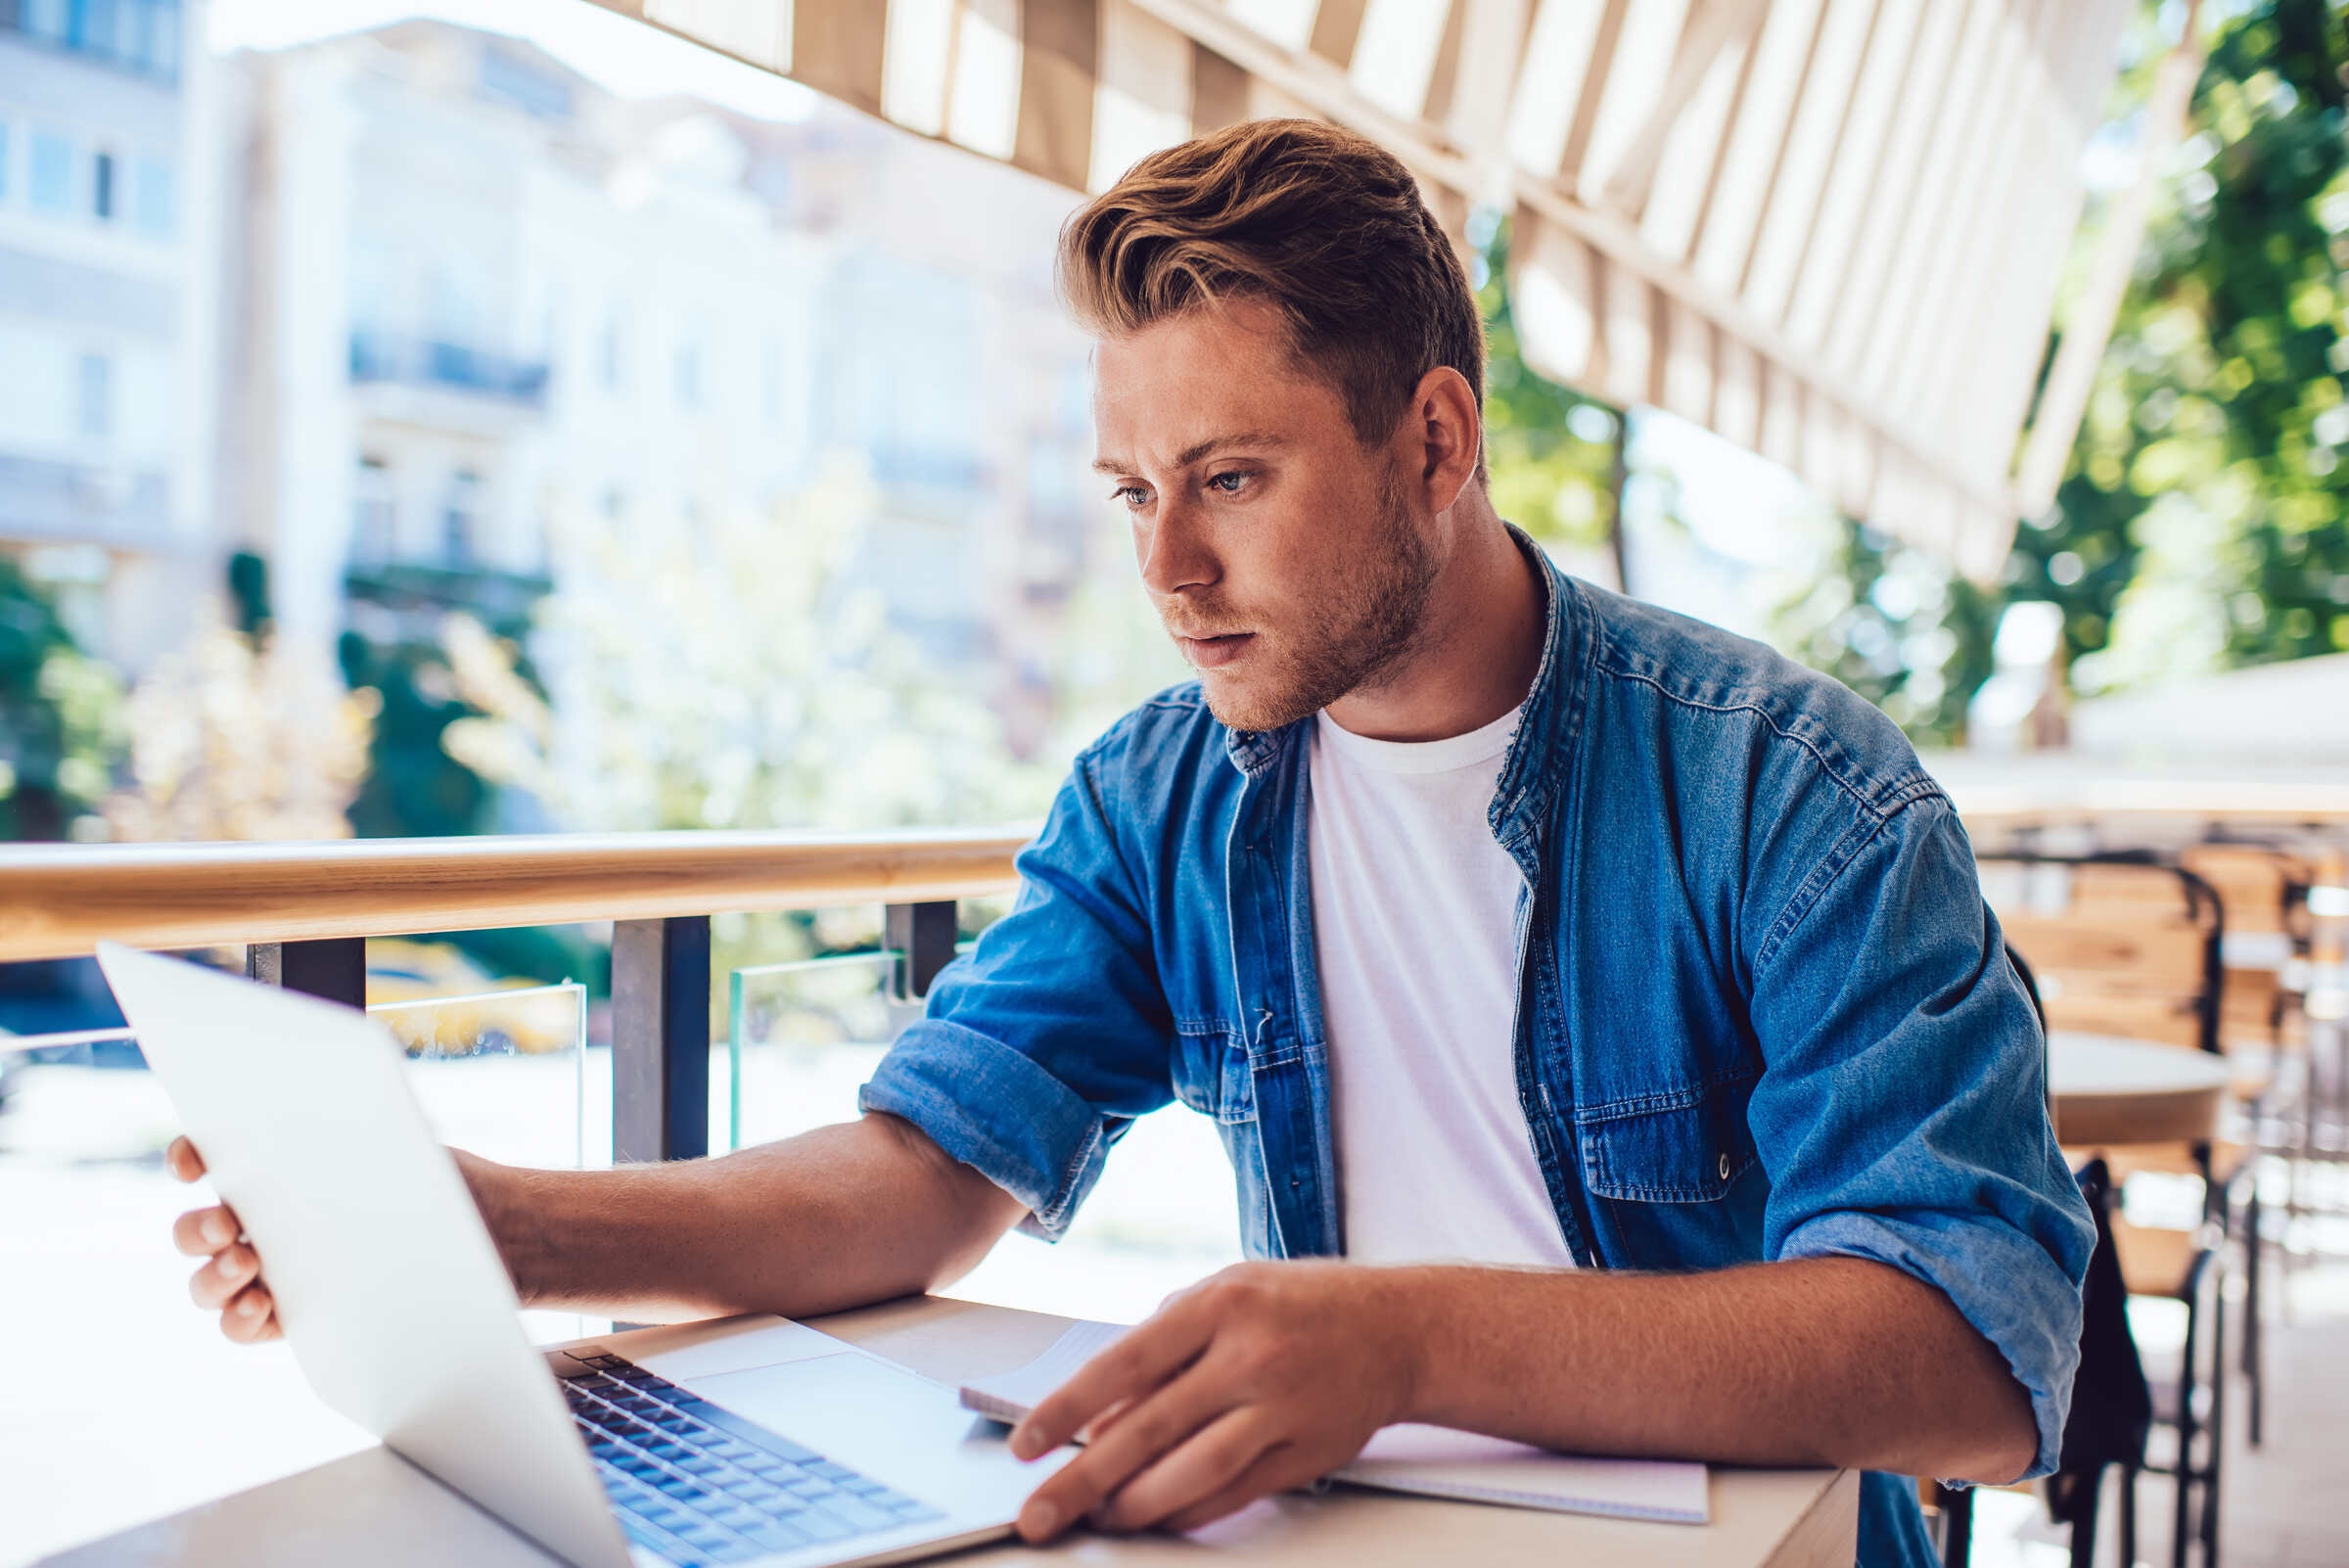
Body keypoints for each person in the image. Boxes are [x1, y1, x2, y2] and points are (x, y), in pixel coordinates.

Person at [168, 119, 2093, 1568]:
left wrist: (1396, 1336)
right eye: (1133, 493)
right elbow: (923, 1174)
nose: (1168, 569)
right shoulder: (1168, 791)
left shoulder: (1790, 793)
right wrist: (504, 1226)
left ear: (1434, 441)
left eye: (1233, 482)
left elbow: (1971, 1364)